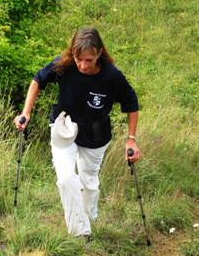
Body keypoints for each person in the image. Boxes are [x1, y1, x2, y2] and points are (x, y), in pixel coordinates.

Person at [14, 27, 141, 238]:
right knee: (65, 179)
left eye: (89, 60)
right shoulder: (63, 65)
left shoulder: (112, 76)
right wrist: (25, 112)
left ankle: (90, 218)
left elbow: (131, 104)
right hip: (64, 126)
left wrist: (131, 140)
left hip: (95, 133)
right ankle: (80, 233)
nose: (82, 65)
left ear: (99, 53)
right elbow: (38, 81)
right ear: (73, 53)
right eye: (78, 58)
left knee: (88, 182)